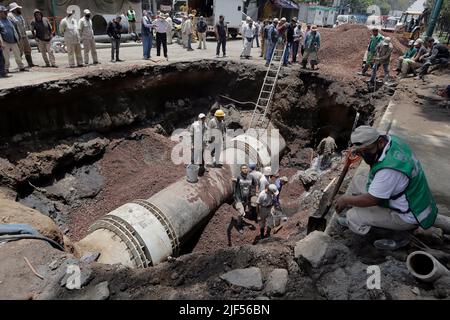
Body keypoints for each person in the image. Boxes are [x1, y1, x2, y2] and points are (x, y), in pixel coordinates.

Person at [335, 126, 438, 250]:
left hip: (409, 215)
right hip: (415, 198)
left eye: (367, 150)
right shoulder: (392, 142)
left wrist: (345, 199)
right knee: (359, 179)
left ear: (380, 142)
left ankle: (398, 236)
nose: (364, 155)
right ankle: (382, 222)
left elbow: (372, 200)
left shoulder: (389, 171)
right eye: (360, 152)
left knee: (353, 216)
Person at [232, 164, 259, 234]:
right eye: (243, 168)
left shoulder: (251, 176)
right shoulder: (238, 177)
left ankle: (240, 220)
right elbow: (234, 184)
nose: (245, 169)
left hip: (246, 199)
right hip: (238, 198)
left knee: (243, 211)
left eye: (246, 168)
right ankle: (239, 225)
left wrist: (256, 192)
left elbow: (255, 184)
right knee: (241, 213)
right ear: (240, 170)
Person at [8, 2, 35, 68]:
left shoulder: (19, 15)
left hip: (24, 35)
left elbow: (23, 24)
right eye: (18, 8)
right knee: (20, 51)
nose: (19, 9)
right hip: (18, 36)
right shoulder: (10, 16)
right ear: (14, 9)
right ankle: (20, 65)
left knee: (28, 49)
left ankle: (30, 63)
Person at [0, 5, 26, 72]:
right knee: (6, 56)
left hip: (13, 40)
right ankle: (6, 68)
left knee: (18, 54)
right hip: (5, 41)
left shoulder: (9, 19)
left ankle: (21, 66)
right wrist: (1, 42)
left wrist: (18, 36)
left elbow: (15, 28)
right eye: (3, 12)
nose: (6, 13)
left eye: (6, 11)